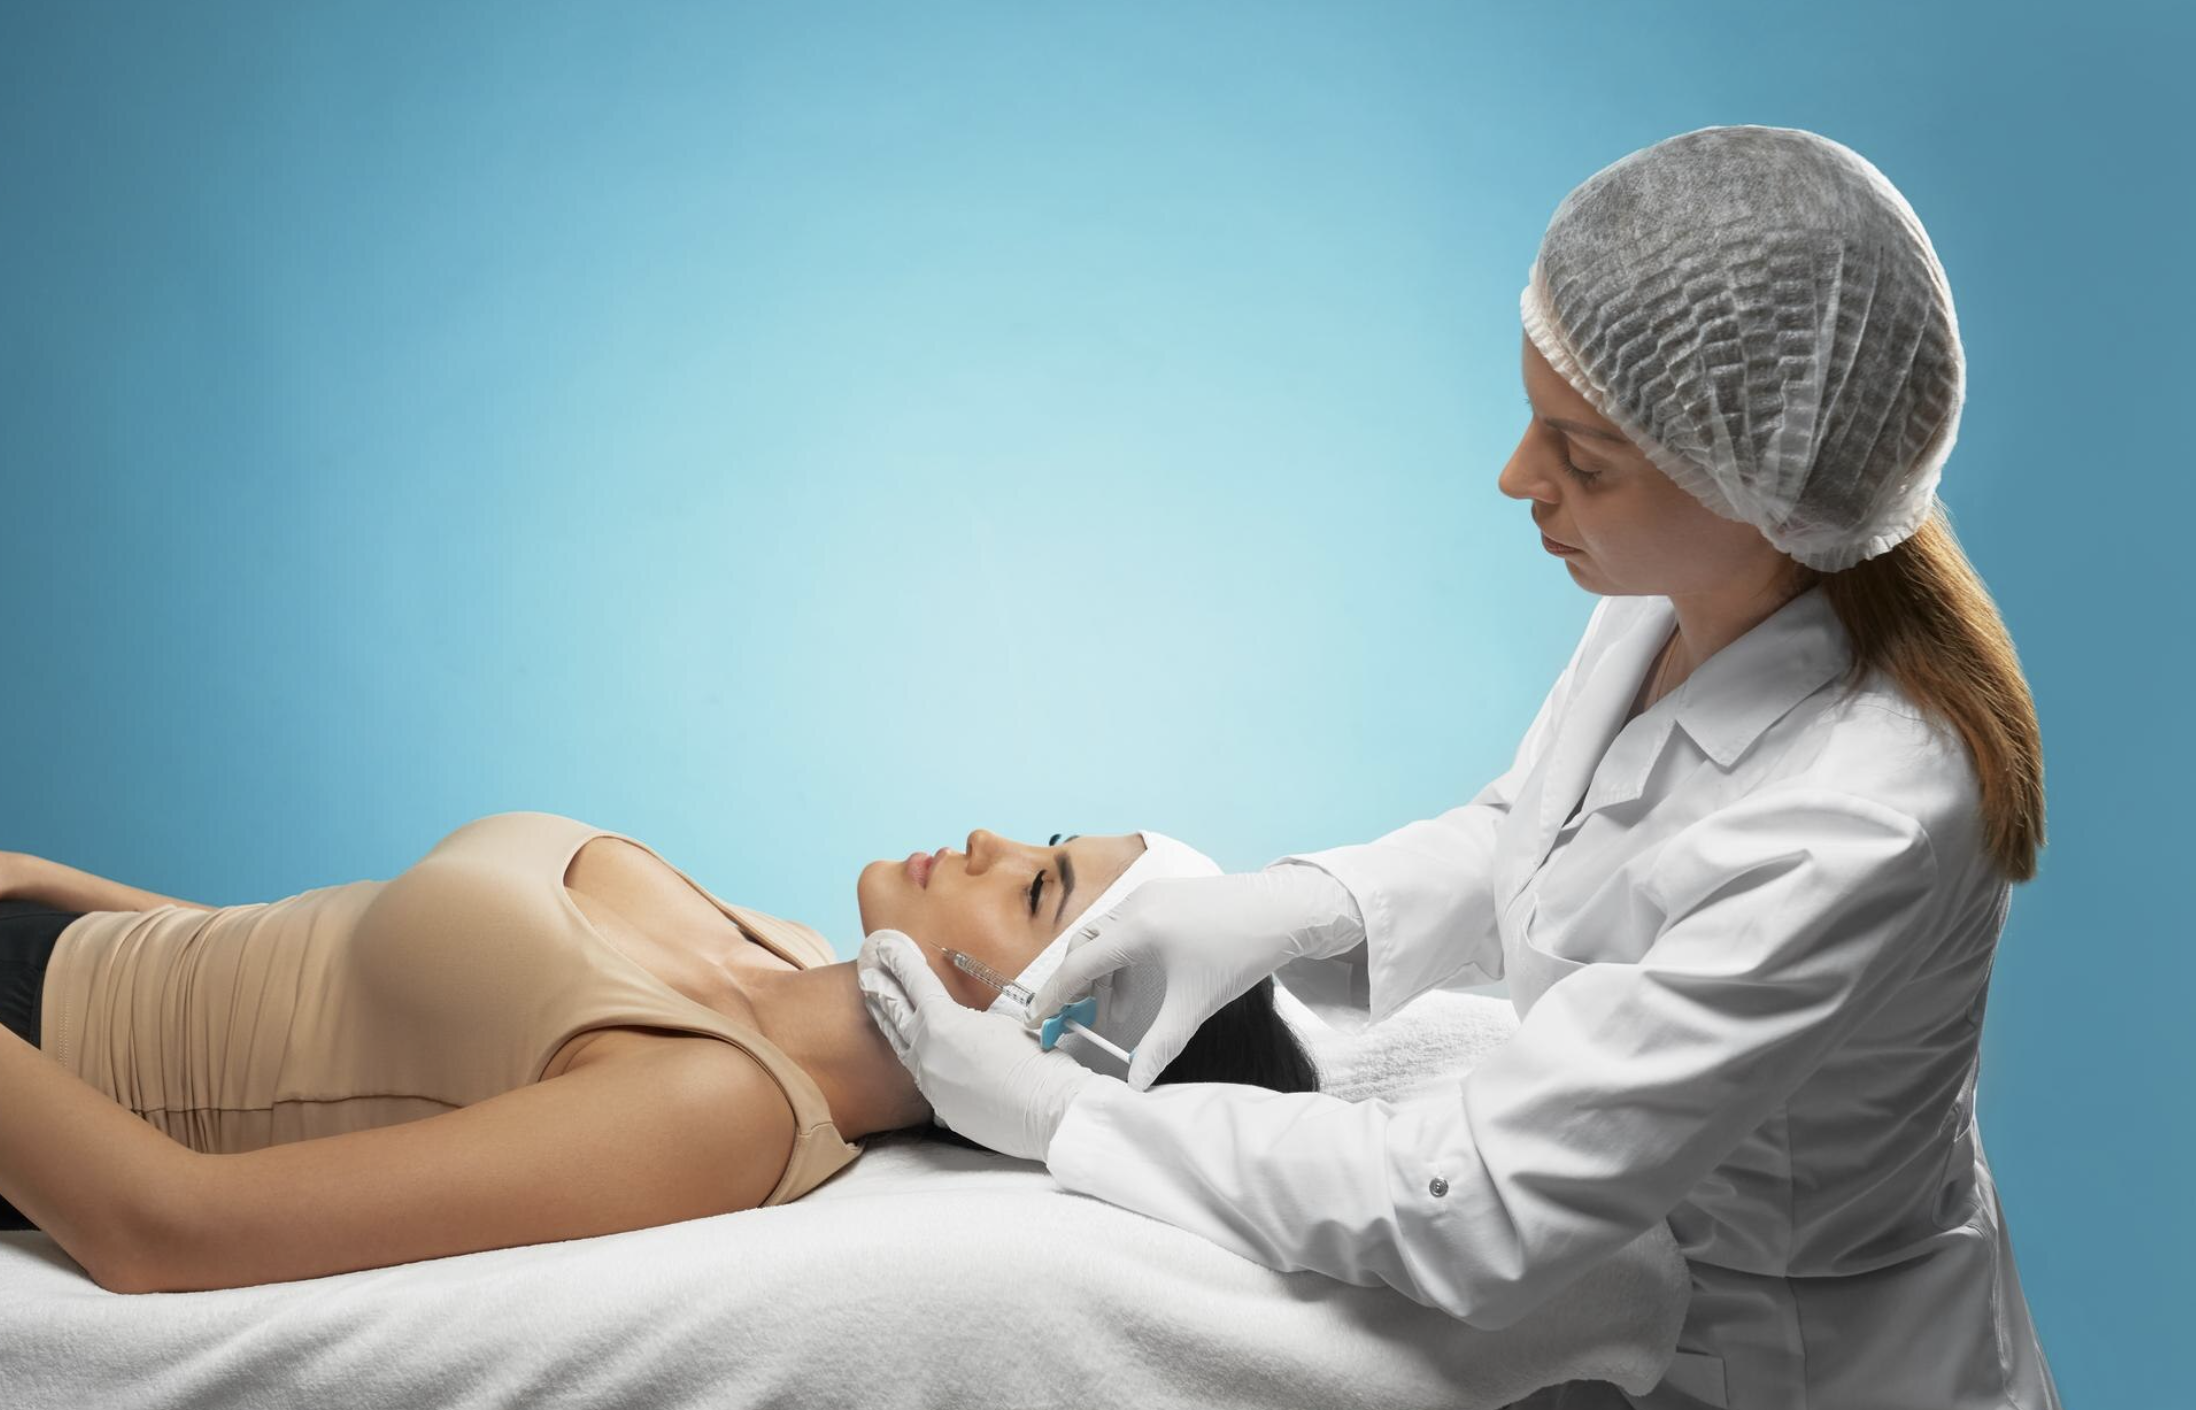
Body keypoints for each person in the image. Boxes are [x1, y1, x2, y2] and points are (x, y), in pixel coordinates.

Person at [856, 125, 2061, 1409]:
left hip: (1810, 1365)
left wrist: (1063, 1117)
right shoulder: (1676, 597)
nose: (1516, 477)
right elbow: (1551, 834)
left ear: (1751, 487)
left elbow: (1472, 1204)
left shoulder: (1863, 816)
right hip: (1621, 1316)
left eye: (1582, 459)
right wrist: (1296, 910)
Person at [0, 816, 1315, 1290]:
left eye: (1036, 889)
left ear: (1043, 1027)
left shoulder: (719, 1103)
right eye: (1050, 836)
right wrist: (48, 887)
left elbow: (165, 1228)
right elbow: (313, 974)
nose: (990, 839)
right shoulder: (782, 944)